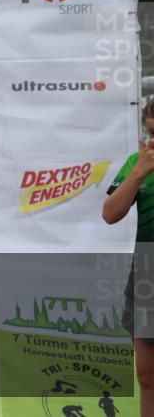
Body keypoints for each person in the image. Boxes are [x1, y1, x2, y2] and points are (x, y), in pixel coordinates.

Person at [104, 98, 154, 417]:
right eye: (152, 133)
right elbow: (110, 214)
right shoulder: (138, 162)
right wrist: (138, 173)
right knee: (148, 377)